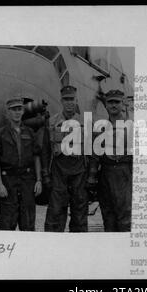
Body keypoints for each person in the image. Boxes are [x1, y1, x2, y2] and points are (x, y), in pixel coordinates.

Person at [43, 85, 97, 232]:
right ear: (61, 101)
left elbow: (92, 152)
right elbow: (45, 150)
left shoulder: (85, 124)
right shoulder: (52, 123)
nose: (69, 103)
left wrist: (92, 176)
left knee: (79, 215)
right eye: (66, 99)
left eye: (72, 99)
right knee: (55, 214)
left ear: (76, 100)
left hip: (79, 173)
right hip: (59, 173)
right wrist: (45, 175)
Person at [0, 97, 42, 231]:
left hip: (27, 180)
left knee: (28, 223)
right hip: (8, 180)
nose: (17, 112)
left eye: (19, 109)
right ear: (8, 112)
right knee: (7, 224)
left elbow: (36, 157)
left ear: (23, 111)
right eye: (14, 110)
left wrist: (38, 180)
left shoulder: (30, 133)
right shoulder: (0, 133)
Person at [97, 89, 133, 232]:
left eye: (116, 102)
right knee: (108, 215)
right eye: (110, 102)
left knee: (125, 215)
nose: (113, 105)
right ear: (105, 104)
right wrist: (92, 177)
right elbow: (94, 155)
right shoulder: (100, 128)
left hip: (124, 173)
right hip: (106, 173)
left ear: (122, 104)